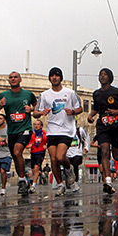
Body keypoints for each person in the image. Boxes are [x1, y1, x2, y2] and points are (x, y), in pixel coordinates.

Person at [34, 67, 82, 196]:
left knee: (61, 156)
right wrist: (41, 112)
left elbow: (80, 108)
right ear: (49, 78)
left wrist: (72, 112)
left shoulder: (70, 93)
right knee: (54, 159)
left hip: (66, 130)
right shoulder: (45, 95)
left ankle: (68, 168)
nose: (54, 78)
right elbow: (35, 113)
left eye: (57, 75)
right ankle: (61, 184)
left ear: (61, 77)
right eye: (52, 76)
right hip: (51, 130)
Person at [0, 71, 38, 196]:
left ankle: (22, 181)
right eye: (11, 77)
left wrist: (32, 109)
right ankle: (23, 179)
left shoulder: (28, 94)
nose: (13, 79)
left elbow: (38, 107)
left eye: (15, 77)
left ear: (20, 80)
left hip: (25, 129)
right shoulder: (3, 95)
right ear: (9, 81)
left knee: (18, 151)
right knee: (16, 156)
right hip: (12, 131)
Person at [88, 68, 118, 194]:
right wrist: (90, 116)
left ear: (110, 77)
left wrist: (117, 112)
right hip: (103, 126)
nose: (102, 77)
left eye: (105, 75)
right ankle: (108, 181)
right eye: (100, 75)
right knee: (105, 151)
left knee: (116, 154)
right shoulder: (96, 94)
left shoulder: (117, 92)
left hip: (116, 126)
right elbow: (96, 108)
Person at [66, 126, 90, 191]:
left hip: (77, 153)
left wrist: (87, 147)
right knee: (67, 167)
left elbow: (87, 136)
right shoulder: (65, 130)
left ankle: (76, 183)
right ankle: (69, 183)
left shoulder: (79, 130)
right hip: (67, 153)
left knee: (75, 165)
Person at [28, 120, 47, 193]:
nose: (36, 126)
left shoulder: (44, 134)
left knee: (36, 168)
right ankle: (42, 174)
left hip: (41, 152)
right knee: (34, 171)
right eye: (35, 124)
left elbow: (48, 141)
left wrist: (46, 146)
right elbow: (28, 141)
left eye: (38, 124)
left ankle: (33, 186)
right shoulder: (31, 134)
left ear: (41, 126)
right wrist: (28, 145)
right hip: (33, 152)